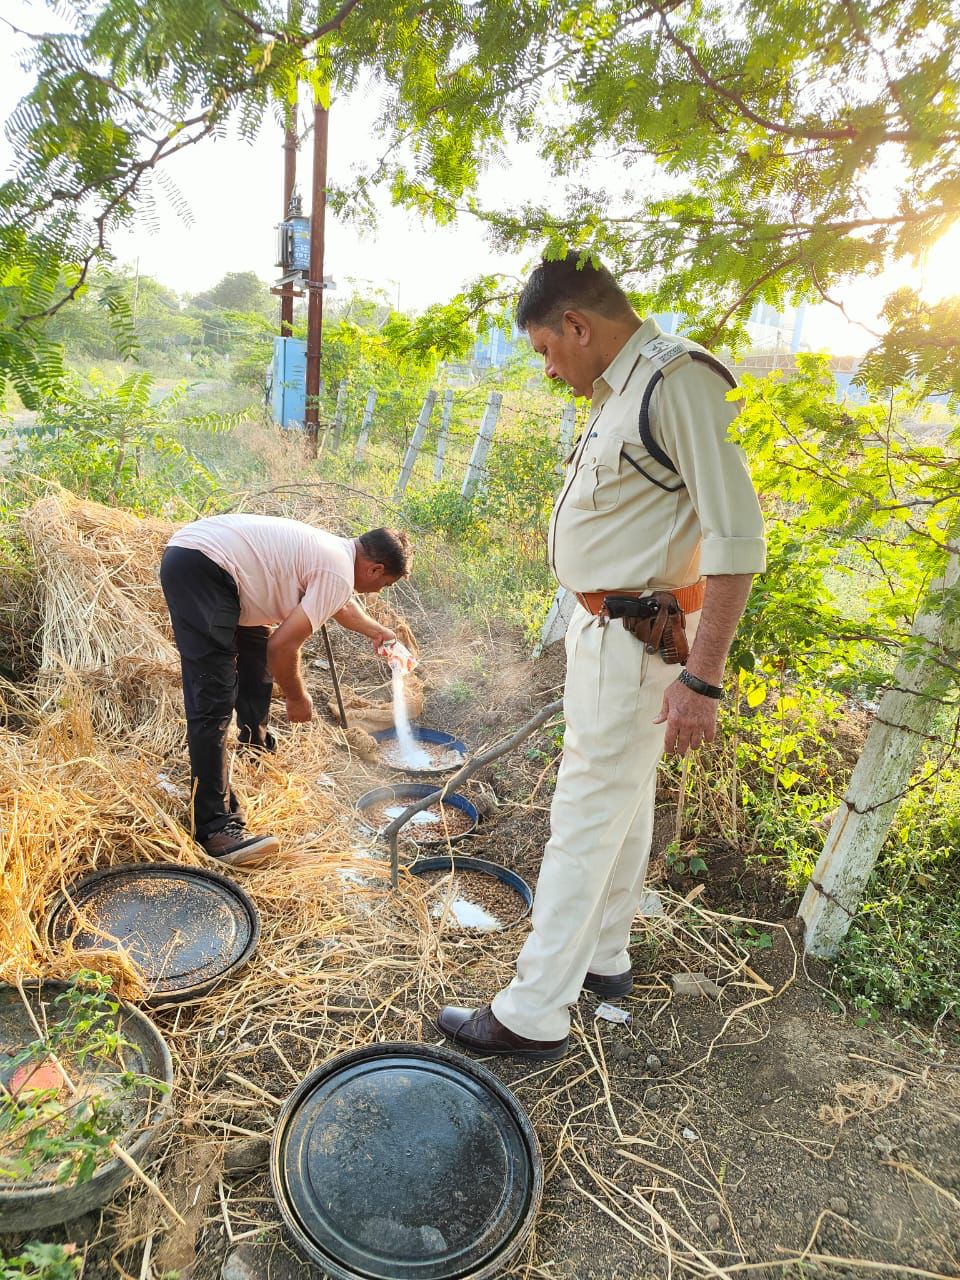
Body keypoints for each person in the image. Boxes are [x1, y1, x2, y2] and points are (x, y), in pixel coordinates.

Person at [437, 252, 766, 1060]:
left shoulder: (676, 382)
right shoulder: (619, 390)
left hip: (641, 642)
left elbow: (737, 540)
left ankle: (532, 1011)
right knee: (619, 807)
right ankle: (605, 959)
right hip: (607, 634)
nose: (548, 369)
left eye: (548, 350)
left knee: (582, 821)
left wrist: (704, 677)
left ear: (579, 326)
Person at [160, 514, 411, 865]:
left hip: (207, 559)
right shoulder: (338, 570)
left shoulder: (336, 552)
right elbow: (283, 647)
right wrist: (297, 697)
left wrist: (377, 631)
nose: (377, 591)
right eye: (384, 584)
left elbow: (340, 604)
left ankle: (255, 743)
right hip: (203, 570)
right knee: (211, 698)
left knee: (255, 660)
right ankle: (215, 827)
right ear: (374, 569)